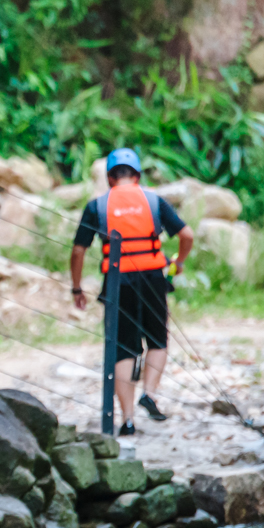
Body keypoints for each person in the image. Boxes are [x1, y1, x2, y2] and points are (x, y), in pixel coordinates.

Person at [69, 148, 195, 435]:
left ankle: (127, 420)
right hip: (152, 277)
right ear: (136, 176)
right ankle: (148, 393)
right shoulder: (154, 201)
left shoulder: (97, 206)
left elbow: (78, 251)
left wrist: (76, 287)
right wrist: (178, 262)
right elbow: (187, 235)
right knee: (157, 340)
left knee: (122, 348)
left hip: (117, 282)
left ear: (110, 178)